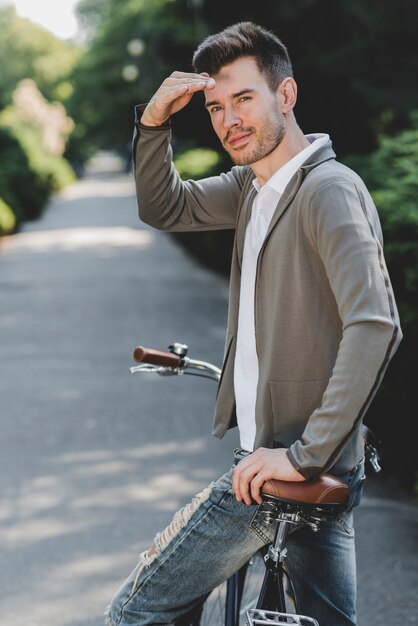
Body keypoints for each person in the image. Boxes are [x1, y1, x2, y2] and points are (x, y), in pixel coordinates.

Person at [106, 22, 402, 626]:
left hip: (286, 464)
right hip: (294, 458)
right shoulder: (253, 185)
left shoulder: (328, 190)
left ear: (285, 96)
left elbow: (375, 324)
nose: (227, 119)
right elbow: (165, 205)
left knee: (139, 611)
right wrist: (155, 122)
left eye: (243, 98)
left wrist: (303, 455)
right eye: (215, 106)